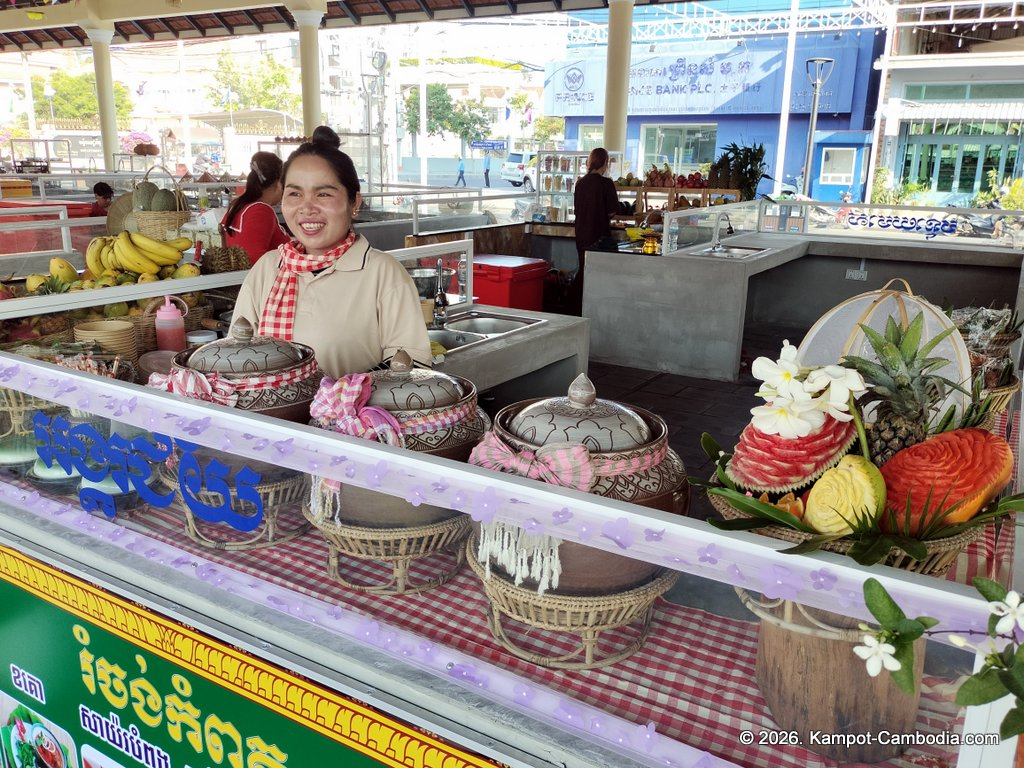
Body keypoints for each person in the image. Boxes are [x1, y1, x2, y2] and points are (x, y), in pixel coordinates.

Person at [232, 126, 431, 379]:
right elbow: (237, 354)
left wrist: (340, 396)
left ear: (354, 202)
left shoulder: (382, 272)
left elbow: (410, 366)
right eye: (294, 193)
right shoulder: (269, 267)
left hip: (350, 418)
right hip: (267, 417)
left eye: (323, 193)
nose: (306, 208)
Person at [569, 147, 619, 315]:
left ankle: (575, 308)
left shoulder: (580, 183)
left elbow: (577, 209)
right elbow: (612, 211)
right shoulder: (607, 184)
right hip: (600, 236)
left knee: (583, 270)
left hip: (582, 233)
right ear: (605, 163)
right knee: (598, 275)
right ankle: (592, 310)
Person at [220, 151, 290, 266]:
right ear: (278, 183)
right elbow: (256, 261)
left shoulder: (237, 204)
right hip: (266, 280)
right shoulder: (261, 211)